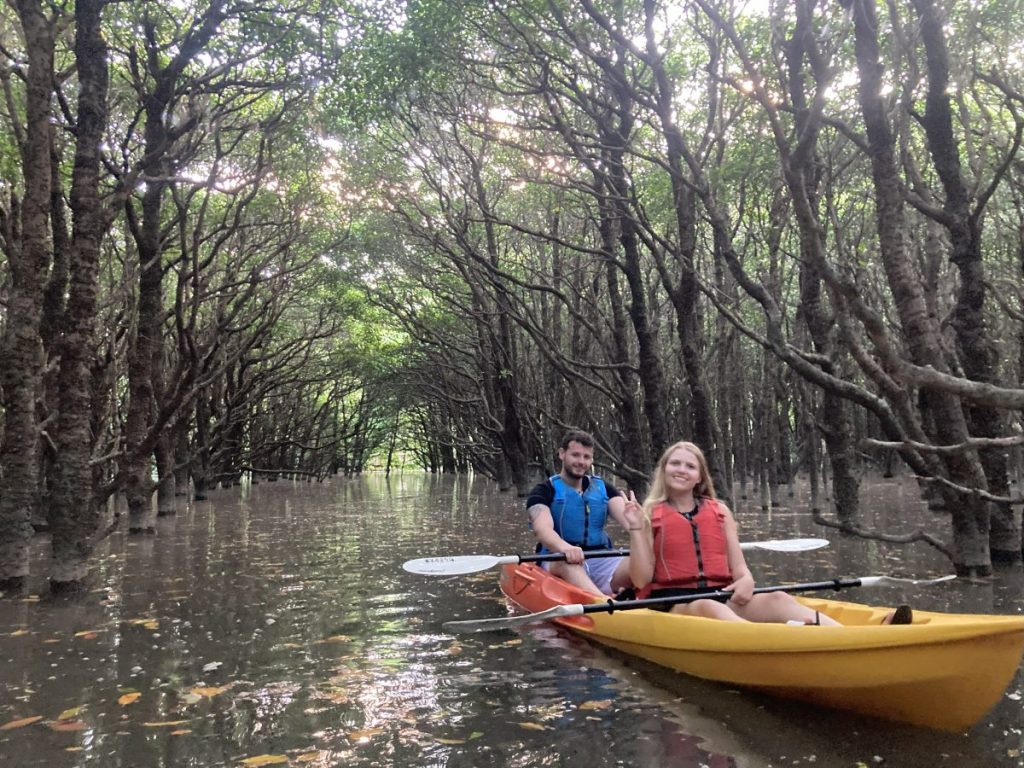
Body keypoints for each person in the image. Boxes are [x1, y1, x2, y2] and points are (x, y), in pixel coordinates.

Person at [624, 441, 912, 626]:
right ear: (664, 470)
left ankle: (854, 635)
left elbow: (739, 569)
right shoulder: (649, 514)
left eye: (690, 466)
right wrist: (636, 528)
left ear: (700, 476)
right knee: (709, 608)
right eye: (675, 463)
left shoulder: (720, 511)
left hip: (722, 597)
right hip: (676, 606)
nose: (681, 470)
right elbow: (640, 580)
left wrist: (747, 581)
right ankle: (774, 643)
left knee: (778, 599)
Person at [526, 429, 646, 596]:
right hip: (559, 560)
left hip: (601, 558)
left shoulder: (604, 489)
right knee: (566, 562)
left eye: (586, 457)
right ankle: (604, 603)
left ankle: (634, 597)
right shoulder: (544, 491)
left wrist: (638, 525)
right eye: (575, 455)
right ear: (562, 454)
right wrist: (566, 548)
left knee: (640, 560)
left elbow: (628, 521)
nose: (581, 461)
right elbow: (542, 529)